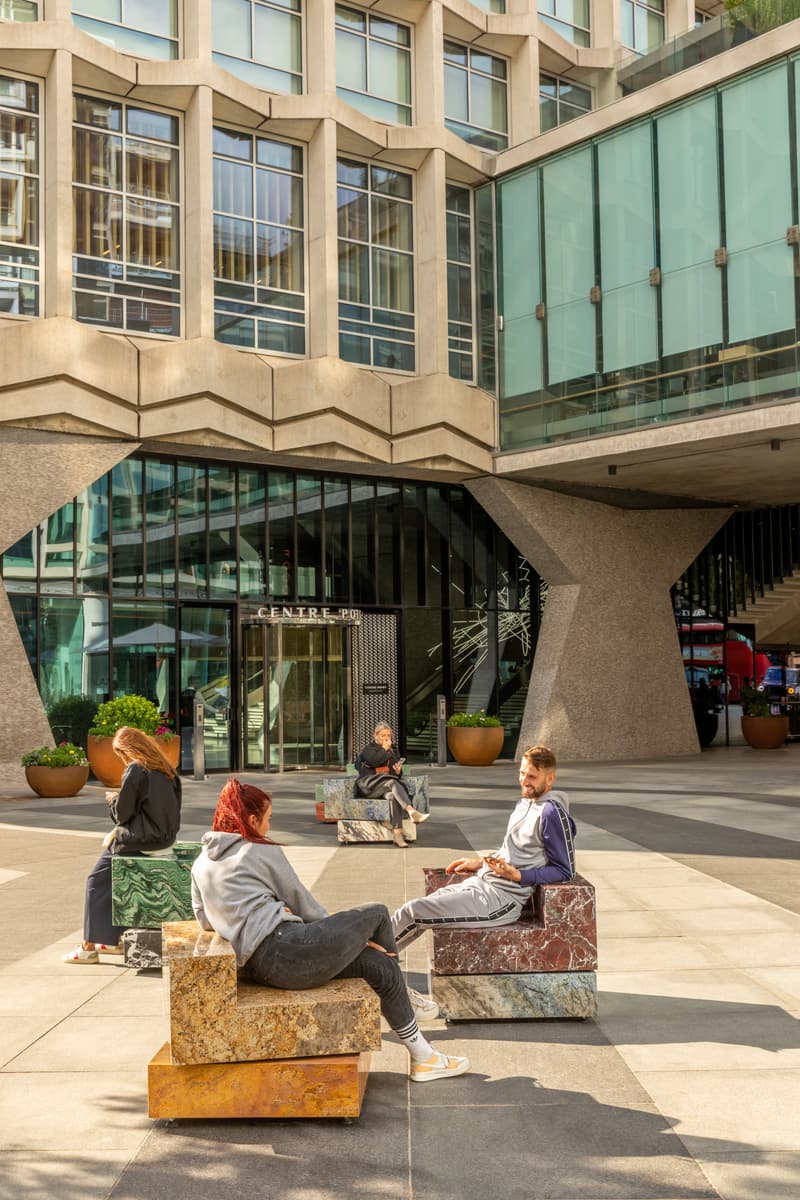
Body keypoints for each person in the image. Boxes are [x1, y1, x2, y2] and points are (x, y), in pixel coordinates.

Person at [190, 778, 469, 1084]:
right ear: (252, 820)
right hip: (290, 948)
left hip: (265, 968)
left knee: (379, 967)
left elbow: (204, 919)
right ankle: (405, 995)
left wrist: (254, 912)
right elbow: (306, 906)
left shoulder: (201, 864)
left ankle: (424, 1058)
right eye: (268, 820)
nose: (269, 826)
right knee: (377, 913)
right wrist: (347, 937)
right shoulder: (255, 850)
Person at [391, 745, 575, 952]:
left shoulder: (552, 814)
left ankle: (360, 965)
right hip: (482, 884)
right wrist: (480, 863)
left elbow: (565, 871)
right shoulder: (524, 803)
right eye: (522, 773)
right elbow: (510, 850)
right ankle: (370, 966)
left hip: (502, 900)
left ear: (550, 779)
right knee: (413, 914)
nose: (524, 781)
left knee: (413, 911)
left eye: (532, 776)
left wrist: (519, 876)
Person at [62, 726, 182, 964]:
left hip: (139, 839)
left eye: (120, 754)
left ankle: (88, 947)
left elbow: (122, 815)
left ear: (127, 750)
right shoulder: (168, 769)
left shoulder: (136, 769)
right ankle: (113, 939)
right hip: (165, 839)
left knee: (96, 881)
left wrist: (112, 800)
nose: (122, 759)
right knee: (114, 882)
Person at [356, 721, 429, 848]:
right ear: (376, 736)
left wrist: (397, 771)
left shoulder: (393, 750)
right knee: (391, 782)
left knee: (393, 796)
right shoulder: (368, 749)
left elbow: (393, 776)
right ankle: (411, 811)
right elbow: (374, 762)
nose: (386, 738)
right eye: (383, 735)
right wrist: (384, 749)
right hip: (369, 784)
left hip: (386, 786)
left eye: (388, 735)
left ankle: (397, 834)